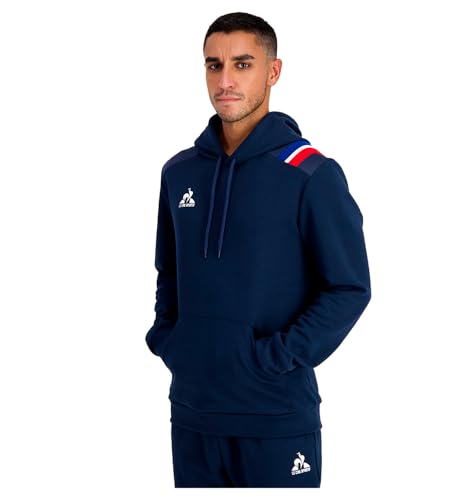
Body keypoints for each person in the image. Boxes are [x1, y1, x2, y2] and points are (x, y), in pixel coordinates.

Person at [145, 11, 371, 488]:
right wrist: (171, 341)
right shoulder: (179, 172)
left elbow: (349, 288)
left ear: (273, 71)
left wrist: (273, 357)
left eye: (242, 64)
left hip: (276, 419)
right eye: (214, 65)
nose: (225, 81)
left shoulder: (311, 174)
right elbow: (170, 272)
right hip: (193, 416)